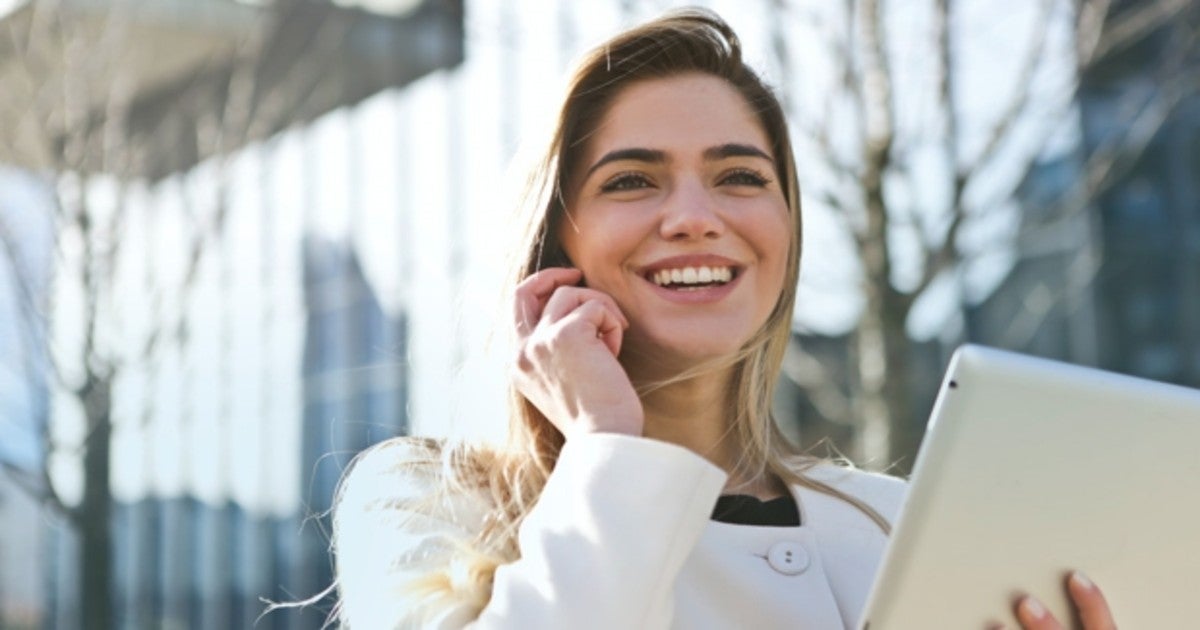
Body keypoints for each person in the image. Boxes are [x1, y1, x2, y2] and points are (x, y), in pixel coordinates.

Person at [332, 8, 1116, 629]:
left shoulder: (896, 524)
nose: (694, 218)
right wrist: (607, 444)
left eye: (740, 175)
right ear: (554, 242)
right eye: (633, 180)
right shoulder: (420, 502)